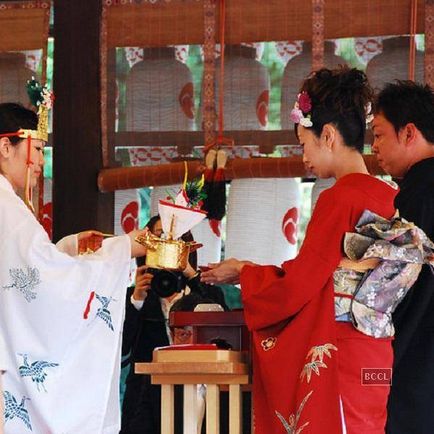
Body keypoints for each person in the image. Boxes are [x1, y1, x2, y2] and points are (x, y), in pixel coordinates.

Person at [201, 67, 400, 434]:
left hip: (341, 354)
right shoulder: (389, 196)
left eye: (303, 144)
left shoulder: (340, 198)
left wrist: (245, 271)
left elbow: (298, 285)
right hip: (377, 355)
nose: (303, 156)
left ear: (327, 135)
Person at [0, 102, 148, 433]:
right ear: (5, 146)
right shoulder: (7, 209)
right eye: (36, 149)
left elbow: (25, 273)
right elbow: (48, 283)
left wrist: (66, 248)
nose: (39, 162)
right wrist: (123, 247)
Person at [120, 216, 227, 434]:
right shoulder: (135, 294)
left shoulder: (206, 292)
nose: (166, 242)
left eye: (175, 237)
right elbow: (120, 349)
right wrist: (137, 301)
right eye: (159, 236)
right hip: (145, 395)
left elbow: (224, 337)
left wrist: (190, 274)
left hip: (198, 391)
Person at [372, 81, 434, 434]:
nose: (375, 146)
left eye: (380, 135)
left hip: (416, 359)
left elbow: (386, 292)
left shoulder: (415, 197)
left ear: (409, 132)